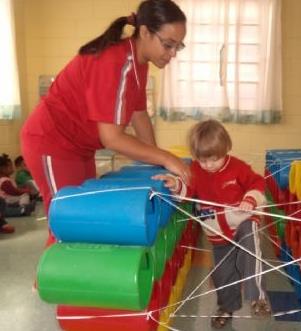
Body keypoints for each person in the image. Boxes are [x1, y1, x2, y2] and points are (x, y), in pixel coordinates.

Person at [20, 0, 190, 247]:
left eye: (178, 46)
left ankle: (73, 283)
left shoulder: (138, 64)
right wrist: (165, 158)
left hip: (78, 148)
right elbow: (112, 138)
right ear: (144, 32)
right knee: (68, 223)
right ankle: (46, 285)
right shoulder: (116, 62)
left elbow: (140, 114)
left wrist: (156, 165)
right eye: (168, 44)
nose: (173, 53)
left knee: (88, 217)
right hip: (51, 142)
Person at [153, 119, 271, 329]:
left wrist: (249, 199)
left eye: (213, 159)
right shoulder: (196, 170)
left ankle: (257, 298)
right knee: (223, 274)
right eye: (202, 159)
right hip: (217, 233)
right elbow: (188, 191)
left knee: (250, 248)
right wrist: (175, 184)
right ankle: (226, 307)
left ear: (225, 149)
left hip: (243, 220)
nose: (208, 165)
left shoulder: (237, 167)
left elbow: (257, 182)